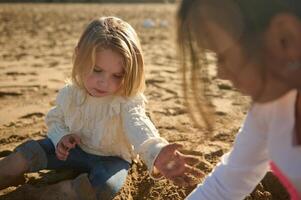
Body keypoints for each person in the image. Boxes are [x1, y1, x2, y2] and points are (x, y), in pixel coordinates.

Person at [0, 16, 203, 200]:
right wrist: (61, 137)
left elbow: (139, 126)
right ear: (79, 56)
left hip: (111, 160)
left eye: (117, 76)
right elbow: (55, 118)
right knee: (27, 152)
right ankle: (7, 173)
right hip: (74, 151)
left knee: (105, 187)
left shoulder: (125, 100)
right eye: (97, 70)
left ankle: (45, 193)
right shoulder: (71, 93)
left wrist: (156, 152)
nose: (104, 82)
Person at [176, 0, 301, 199]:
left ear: (285, 37)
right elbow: (226, 184)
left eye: (222, 56)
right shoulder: (270, 108)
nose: (220, 74)